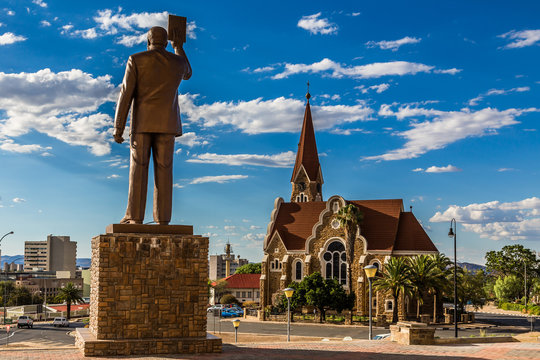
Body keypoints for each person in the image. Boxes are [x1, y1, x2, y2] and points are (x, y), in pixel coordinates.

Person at [113, 26, 191, 225]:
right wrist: (178, 47)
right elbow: (188, 72)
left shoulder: (137, 59)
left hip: (142, 124)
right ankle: (163, 219)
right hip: (167, 124)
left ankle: (134, 217)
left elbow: (125, 94)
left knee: (138, 169)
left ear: (148, 41)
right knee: (165, 170)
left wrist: (118, 127)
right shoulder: (177, 61)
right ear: (165, 43)